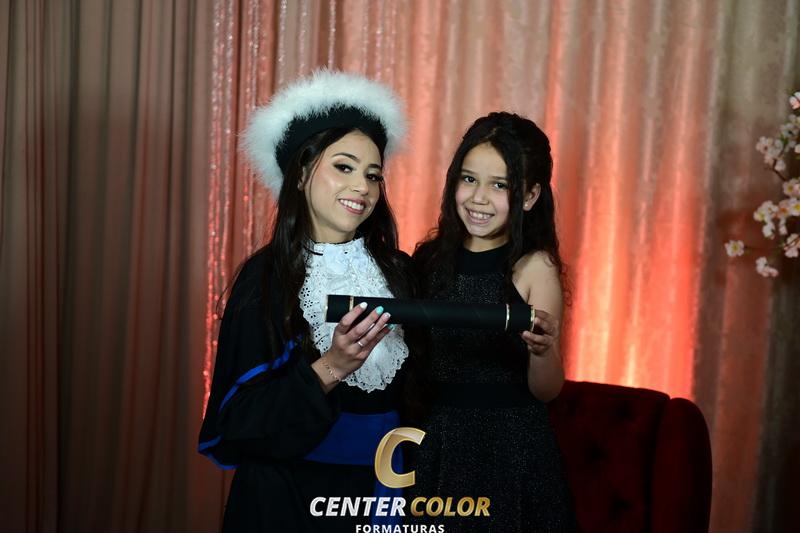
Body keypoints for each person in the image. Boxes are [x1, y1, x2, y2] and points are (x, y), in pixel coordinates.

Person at [198, 70, 414, 532]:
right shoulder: (265, 279)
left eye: (373, 175)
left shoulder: (400, 271)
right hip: (288, 497)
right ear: (300, 173)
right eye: (344, 167)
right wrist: (332, 366)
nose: (363, 186)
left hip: (383, 491)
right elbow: (240, 420)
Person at [408, 112, 577, 532]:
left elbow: (547, 389)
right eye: (469, 179)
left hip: (511, 447)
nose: (479, 198)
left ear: (530, 196)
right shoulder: (429, 260)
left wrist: (544, 351)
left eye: (500, 185)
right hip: (437, 440)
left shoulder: (535, 267)